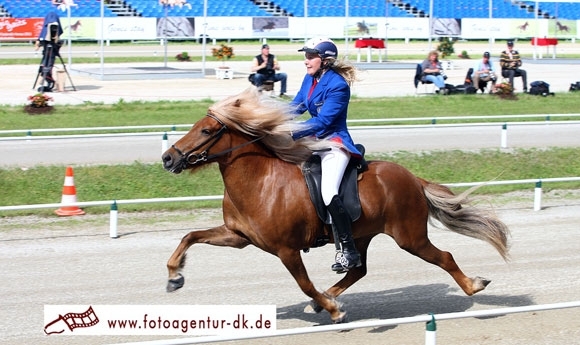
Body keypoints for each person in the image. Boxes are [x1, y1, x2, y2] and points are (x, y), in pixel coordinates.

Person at [290, 37, 362, 273]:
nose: (306, 61)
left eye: (311, 56)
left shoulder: (338, 85)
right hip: (313, 141)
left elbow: (324, 121)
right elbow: (296, 107)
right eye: (306, 56)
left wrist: (293, 131)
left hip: (334, 144)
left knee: (329, 190)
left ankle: (348, 251)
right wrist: (265, 117)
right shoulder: (309, 79)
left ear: (325, 60)